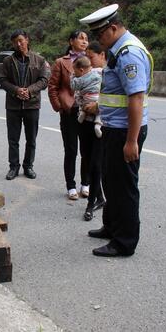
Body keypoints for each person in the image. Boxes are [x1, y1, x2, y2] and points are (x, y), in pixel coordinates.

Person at [80, 4, 152, 257]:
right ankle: (111, 227)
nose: (97, 40)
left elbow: (136, 98)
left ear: (113, 28)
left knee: (124, 187)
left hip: (124, 131)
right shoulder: (117, 51)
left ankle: (124, 242)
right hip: (113, 128)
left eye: (100, 34)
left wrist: (131, 141)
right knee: (110, 182)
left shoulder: (129, 54)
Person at [0, 29, 50, 180]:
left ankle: (28, 166)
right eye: (15, 42)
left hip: (32, 105)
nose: (18, 44)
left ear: (27, 40)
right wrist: (16, 90)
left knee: (31, 139)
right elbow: (3, 80)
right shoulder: (8, 61)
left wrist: (29, 90)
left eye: (21, 40)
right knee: (13, 139)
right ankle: (13, 167)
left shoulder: (39, 60)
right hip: (13, 106)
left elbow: (44, 80)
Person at [48, 30, 90, 200]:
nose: (84, 41)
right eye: (81, 38)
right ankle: (71, 186)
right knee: (71, 150)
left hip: (88, 111)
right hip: (69, 112)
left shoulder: (91, 60)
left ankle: (86, 183)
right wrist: (60, 107)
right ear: (71, 41)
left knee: (87, 150)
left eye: (86, 39)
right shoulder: (61, 62)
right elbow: (52, 87)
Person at [74, 44, 106, 221]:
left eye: (91, 57)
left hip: (100, 125)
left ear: (102, 55)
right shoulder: (87, 75)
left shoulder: (108, 74)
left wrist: (97, 107)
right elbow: (78, 92)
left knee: (95, 165)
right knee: (87, 160)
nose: (89, 62)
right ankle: (99, 198)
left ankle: (90, 204)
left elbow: (113, 99)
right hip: (84, 123)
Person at [70, 56, 102, 137]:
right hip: (97, 97)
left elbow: (73, 87)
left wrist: (72, 76)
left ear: (81, 70)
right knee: (100, 113)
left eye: (75, 71)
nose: (74, 73)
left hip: (87, 97)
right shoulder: (98, 74)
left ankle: (82, 113)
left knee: (83, 103)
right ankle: (98, 124)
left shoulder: (80, 79)